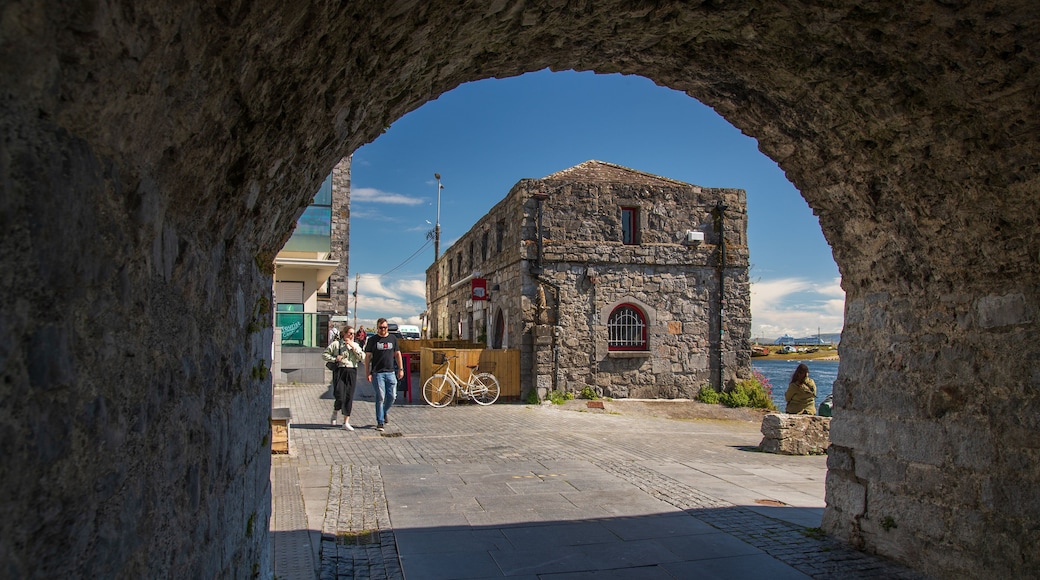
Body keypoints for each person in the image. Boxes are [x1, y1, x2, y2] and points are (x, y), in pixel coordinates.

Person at [323, 325, 365, 430]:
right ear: (344, 334)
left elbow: (363, 357)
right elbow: (324, 355)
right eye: (350, 333)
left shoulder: (355, 345)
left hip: (352, 370)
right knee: (339, 395)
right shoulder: (336, 344)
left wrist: (353, 347)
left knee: (349, 396)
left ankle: (346, 422)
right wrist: (335, 359)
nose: (352, 336)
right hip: (340, 370)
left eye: (353, 334)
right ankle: (335, 410)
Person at [365, 317, 403, 431]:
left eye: (385, 327)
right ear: (377, 328)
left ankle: (384, 412)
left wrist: (401, 369)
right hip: (377, 373)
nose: (383, 330)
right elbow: (367, 357)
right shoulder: (372, 340)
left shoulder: (393, 339)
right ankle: (380, 421)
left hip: (390, 372)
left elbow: (397, 354)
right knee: (380, 397)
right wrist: (367, 372)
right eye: (381, 328)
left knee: (392, 396)